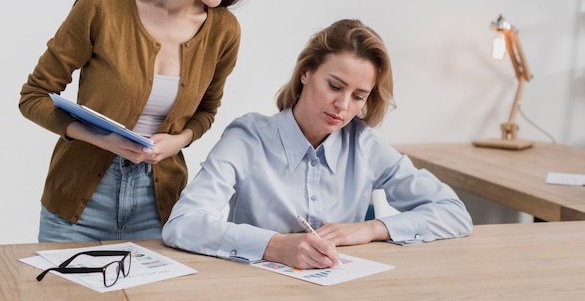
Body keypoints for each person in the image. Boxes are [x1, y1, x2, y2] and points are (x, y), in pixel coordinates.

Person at [19, 0, 273, 242]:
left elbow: (207, 112)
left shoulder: (224, 31)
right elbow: (34, 96)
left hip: (159, 205)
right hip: (77, 206)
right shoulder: (101, 6)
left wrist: (177, 141)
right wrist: (102, 138)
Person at [162, 19, 473, 269]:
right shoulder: (248, 138)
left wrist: (371, 228)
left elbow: (453, 213)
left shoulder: (363, 145)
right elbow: (183, 224)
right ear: (306, 73)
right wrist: (273, 245)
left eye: (358, 96)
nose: (342, 105)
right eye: (334, 86)